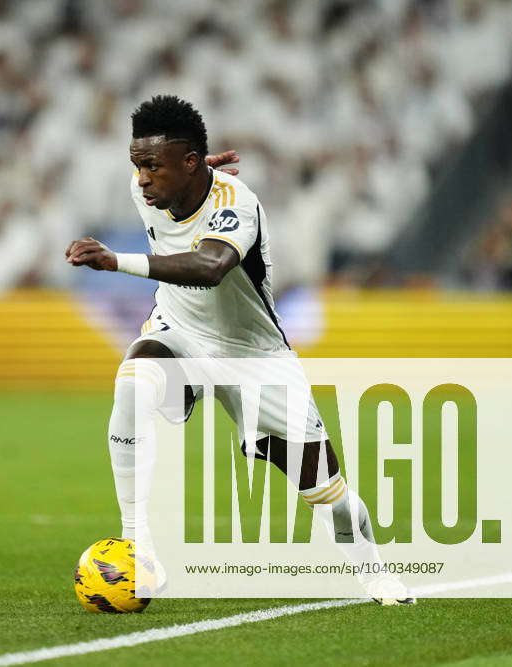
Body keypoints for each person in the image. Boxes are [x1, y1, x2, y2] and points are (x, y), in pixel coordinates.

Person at [65, 95, 413, 605]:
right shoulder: (155, 187)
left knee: (329, 495)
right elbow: (176, 192)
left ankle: (373, 571)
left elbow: (209, 268)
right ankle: (139, 547)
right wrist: (180, 174)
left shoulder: (237, 204)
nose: (141, 179)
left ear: (189, 163)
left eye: (152, 166)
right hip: (179, 330)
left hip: (254, 358)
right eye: (137, 165)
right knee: (132, 384)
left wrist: (117, 261)